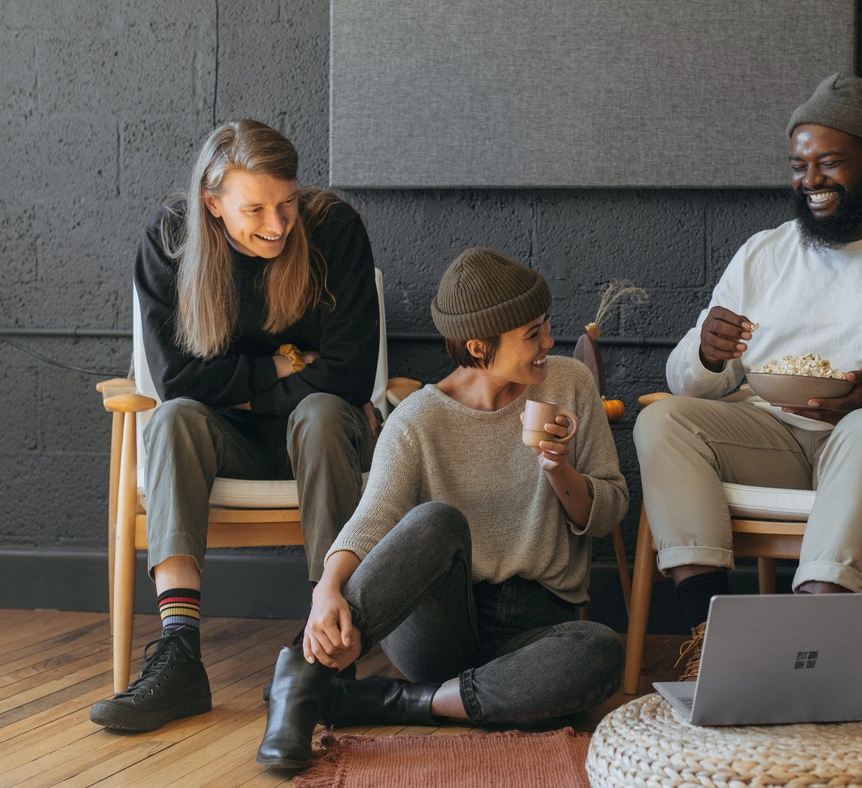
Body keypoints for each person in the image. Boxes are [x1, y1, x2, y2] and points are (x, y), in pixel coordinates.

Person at [633, 72, 862, 677]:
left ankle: (810, 640)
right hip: (775, 436)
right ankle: (709, 640)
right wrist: (708, 352)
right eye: (799, 166)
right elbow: (690, 384)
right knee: (663, 420)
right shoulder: (764, 254)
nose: (811, 181)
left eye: (830, 163)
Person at [254, 248, 628, 771]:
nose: (548, 341)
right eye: (532, 334)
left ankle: (397, 702)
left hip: (536, 629)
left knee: (600, 650)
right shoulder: (417, 419)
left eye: (546, 325)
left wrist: (559, 469)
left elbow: (609, 512)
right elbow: (373, 518)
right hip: (438, 628)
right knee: (435, 521)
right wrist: (326, 590)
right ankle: (303, 677)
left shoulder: (569, 384)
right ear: (479, 346)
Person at [90, 119, 381, 732]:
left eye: (287, 202)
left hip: (326, 440)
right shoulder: (170, 240)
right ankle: (179, 654)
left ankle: (328, 647)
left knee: (322, 413)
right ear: (212, 203)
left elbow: (351, 378)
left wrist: (236, 388)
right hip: (226, 444)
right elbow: (175, 380)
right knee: (172, 420)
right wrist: (286, 365)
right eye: (256, 209)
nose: (278, 224)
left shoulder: (334, 230)